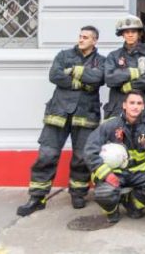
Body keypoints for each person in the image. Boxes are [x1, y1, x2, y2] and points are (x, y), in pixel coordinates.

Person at [17, 26, 105, 216]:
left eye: (86, 37)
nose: (81, 40)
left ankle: (78, 193)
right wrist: (80, 82)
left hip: (86, 114)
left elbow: (98, 78)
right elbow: (55, 75)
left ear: (95, 41)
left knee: (82, 157)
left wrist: (73, 71)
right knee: (47, 154)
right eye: (80, 36)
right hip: (58, 112)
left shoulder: (101, 61)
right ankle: (37, 196)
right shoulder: (64, 55)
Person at [84, 90, 145, 223]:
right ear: (124, 105)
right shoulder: (110, 125)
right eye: (132, 103)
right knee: (104, 193)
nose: (135, 106)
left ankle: (133, 204)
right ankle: (112, 209)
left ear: (143, 106)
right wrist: (106, 174)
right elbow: (90, 150)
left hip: (139, 173)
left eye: (139, 103)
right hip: (115, 173)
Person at [104, 15, 145, 122]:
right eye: (126, 32)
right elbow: (109, 79)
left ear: (140, 33)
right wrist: (132, 72)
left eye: (133, 32)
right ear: (122, 34)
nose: (130, 35)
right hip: (118, 109)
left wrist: (129, 85)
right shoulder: (113, 56)